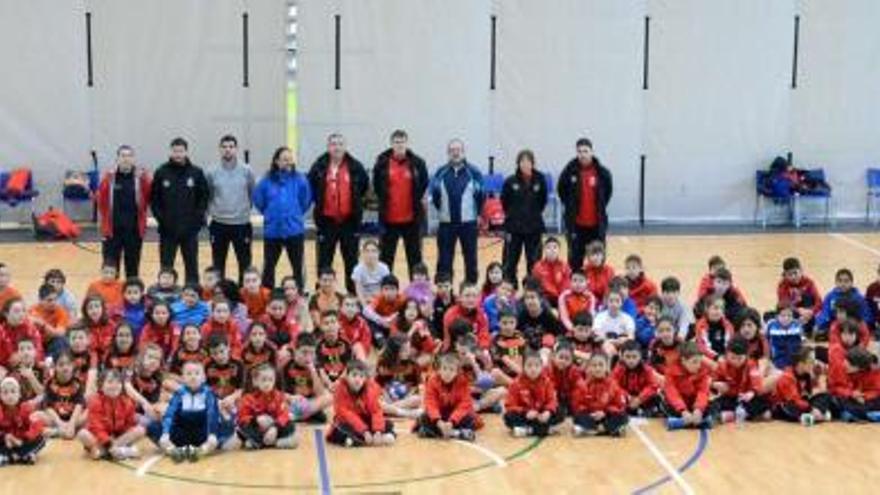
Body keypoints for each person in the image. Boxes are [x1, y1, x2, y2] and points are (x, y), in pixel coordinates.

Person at [308, 133, 369, 294]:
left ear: (345, 146)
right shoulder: (319, 167)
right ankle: (323, 293)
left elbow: (362, 186)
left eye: (340, 144)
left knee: (351, 260)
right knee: (324, 260)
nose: (337, 147)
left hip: (349, 221)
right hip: (327, 222)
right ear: (328, 147)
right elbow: (311, 186)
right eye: (333, 144)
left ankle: (353, 293)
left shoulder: (355, 167)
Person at [150, 137, 210, 283]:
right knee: (166, 267)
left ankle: (192, 295)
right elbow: (154, 200)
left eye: (181, 151)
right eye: (175, 151)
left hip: (189, 231)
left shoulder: (196, 172)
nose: (178, 154)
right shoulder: (161, 172)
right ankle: (165, 295)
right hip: (167, 231)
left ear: (186, 152)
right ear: (171, 152)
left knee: (191, 266)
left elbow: (203, 197)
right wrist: (162, 220)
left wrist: (196, 220)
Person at [152, 361, 237, 462]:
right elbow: (170, 414)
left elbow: (212, 415)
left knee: (225, 428)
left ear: (204, 377)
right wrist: (165, 433)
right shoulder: (179, 394)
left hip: (202, 432)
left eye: (197, 373)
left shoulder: (208, 393)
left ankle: (199, 452)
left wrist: (212, 434)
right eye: (189, 374)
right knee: (153, 427)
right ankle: (175, 451)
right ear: (183, 378)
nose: (193, 377)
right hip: (183, 431)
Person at [253, 146, 312, 290]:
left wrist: (296, 213)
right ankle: (267, 294)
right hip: (272, 231)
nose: (288, 162)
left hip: (294, 230)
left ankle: (298, 295)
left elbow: (306, 200)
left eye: (290, 159)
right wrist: (269, 213)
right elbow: (258, 200)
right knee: (269, 267)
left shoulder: (300, 179)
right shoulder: (266, 181)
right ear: (276, 161)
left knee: (298, 266)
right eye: (284, 159)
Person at [373, 129, 429, 277]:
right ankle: (386, 289)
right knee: (385, 259)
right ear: (391, 144)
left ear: (407, 143)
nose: (399, 145)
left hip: (411, 220)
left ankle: (416, 290)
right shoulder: (382, 163)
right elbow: (377, 187)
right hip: (389, 221)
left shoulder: (418, 163)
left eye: (402, 142)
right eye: (396, 142)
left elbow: (423, 184)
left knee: (415, 258)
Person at [429, 138, 485, 284]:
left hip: (468, 223)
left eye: (458, 150)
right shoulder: (440, 172)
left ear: (463, 152)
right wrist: (443, 212)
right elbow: (435, 196)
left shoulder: (474, 172)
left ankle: (470, 288)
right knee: (444, 260)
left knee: (471, 259)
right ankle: (445, 291)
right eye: (452, 150)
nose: (455, 153)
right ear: (448, 153)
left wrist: (478, 214)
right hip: (446, 224)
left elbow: (481, 195)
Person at [557, 138, 613, 270]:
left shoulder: (602, 172)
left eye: (585, 151)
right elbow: (561, 190)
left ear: (592, 152)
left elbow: (607, 193)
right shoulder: (569, 171)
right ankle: (576, 288)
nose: (582, 154)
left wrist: (600, 206)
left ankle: (597, 288)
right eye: (579, 151)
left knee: (597, 260)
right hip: (576, 226)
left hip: (596, 226)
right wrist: (571, 206)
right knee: (575, 260)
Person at [206, 134, 255, 284]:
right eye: (225, 147)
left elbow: (251, 193)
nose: (228, 150)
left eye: (231, 147)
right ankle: (220, 293)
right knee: (218, 263)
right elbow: (209, 195)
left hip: (242, 224)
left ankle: (243, 294)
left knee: (244, 263)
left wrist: (243, 211)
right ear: (220, 149)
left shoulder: (247, 171)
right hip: (219, 224)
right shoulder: (211, 172)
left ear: (236, 149)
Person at [96, 145, 151, 279]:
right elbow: (100, 200)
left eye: (129, 156)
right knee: (111, 270)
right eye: (123, 156)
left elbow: (151, 196)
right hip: (112, 232)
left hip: (133, 232)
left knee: (132, 269)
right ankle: (112, 297)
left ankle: (133, 298)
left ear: (133, 159)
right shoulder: (109, 178)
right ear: (117, 159)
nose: (126, 159)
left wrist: (146, 178)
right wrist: (104, 224)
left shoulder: (140, 177)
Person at [501, 149, 548, 285]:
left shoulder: (540, 180)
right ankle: (510, 285)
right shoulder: (510, 181)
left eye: (528, 161)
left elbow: (542, 201)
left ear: (533, 163)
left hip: (534, 227)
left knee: (533, 260)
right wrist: (514, 215)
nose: (525, 164)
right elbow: (504, 202)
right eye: (522, 161)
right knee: (510, 260)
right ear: (518, 163)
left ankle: (531, 285)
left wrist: (532, 214)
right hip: (514, 228)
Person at [77, 370, 144, 460]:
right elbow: (96, 428)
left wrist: (123, 438)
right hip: (100, 439)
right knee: (82, 434)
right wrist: (109, 443)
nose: (114, 385)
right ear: (101, 385)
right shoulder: (95, 402)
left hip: (117, 438)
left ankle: (102, 452)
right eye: (110, 382)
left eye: (118, 382)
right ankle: (114, 451)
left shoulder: (128, 402)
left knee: (140, 430)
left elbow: (129, 425)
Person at [326, 359, 395, 447]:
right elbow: (347, 415)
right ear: (347, 376)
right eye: (354, 375)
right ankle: (356, 440)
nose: (358, 379)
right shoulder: (340, 390)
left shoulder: (369, 389)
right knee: (338, 429)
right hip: (346, 422)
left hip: (363, 420)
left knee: (387, 424)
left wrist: (378, 431)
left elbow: (376, 411)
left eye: (361, 376)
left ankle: (361, 440)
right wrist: (364, 431)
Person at [415, 353, 477, 441]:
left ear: (456, 372)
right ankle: (457, 433)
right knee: (424, 417)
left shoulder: (463, 382)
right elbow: (430, 403)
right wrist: (438, 422)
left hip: (455, 415)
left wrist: (452, 422)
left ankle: (435, 432)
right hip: (439, 415)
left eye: (451, 370)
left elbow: (464, 404)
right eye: (444, 369)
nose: (447, 373)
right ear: (439, 370)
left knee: (470, 418)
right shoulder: (432, 381)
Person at [237, 364, 297, 449]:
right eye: (263, 380)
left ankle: (258, 442)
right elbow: (242, 417)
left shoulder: (279, 396)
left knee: (290, 423)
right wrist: (255, 420)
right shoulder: (247, 398)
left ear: (275, 381)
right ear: (256, 381)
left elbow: (284, 415)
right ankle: (271, 442)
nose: (267, 383)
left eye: (270, 380)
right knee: (242, 427)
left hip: (273, 429)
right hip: (257, 429)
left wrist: (275, 428)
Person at [503, 351, 562, 437]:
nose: (533, 369)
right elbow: (510, 405)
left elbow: (552, 400)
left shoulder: (547, 381)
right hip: (526, 416)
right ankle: (542, 430)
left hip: (541, 415)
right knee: (508, 416)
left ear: (541, 367)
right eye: (529, 365)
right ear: (523, 367)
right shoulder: (516, 383)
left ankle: (527, 430)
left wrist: (548, 411)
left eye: (536, 366)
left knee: (561, 411)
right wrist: (525, 412)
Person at [570, 352, 629, 437]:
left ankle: (591, 430)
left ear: (606, 367)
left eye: (601, 365)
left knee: (623, 416)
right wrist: (591, 413)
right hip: (590, 417)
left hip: (606, 417)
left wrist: (605, 412)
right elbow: (577, 405)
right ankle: (608, 430)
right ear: (589, 367)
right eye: (594, 365)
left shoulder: (613, 384)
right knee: (577, 417)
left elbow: (620, 405)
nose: (597, 368)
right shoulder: (583, 384)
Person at [663, 342, 713, 430]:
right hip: (679, 404)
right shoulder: (670, 371)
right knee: (665, 404)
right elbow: (672, 393)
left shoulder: (703, 370)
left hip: (694, 402)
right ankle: (696, 421)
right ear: (683, 360)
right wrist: (683, 410)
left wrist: (698, 409)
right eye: (694, 362)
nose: (698, 365)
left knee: (712, 404)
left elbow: (703, 392)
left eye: (700, 362)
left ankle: (683, 422)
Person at [0, 377, 46, 465]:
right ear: (0, 396)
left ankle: (10, 457)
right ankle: (23, 456)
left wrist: (24, 438)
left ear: (19, 394)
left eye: (13, 391)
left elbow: (37, 426)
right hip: (6, 443)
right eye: (5, 392)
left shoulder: (26, 407)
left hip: (22, 442)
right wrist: (5, 436)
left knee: (41, 439)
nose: (9, 395)